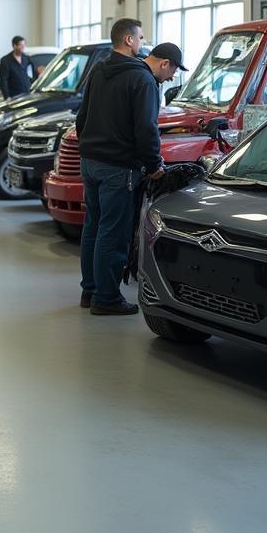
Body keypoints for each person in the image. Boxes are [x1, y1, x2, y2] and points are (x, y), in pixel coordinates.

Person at [75, 22, 185, 315]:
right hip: (119, 168)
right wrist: (154, 165)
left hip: (90, 162)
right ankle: (107, 299)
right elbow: (146, 130)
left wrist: (88, 148)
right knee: (113, 233)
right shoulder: (144, 81)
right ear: (164, 63)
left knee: (93, 227)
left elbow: (81, 116)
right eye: (173, 70)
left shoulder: (99, 69)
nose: (172, 76)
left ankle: (90, 291)